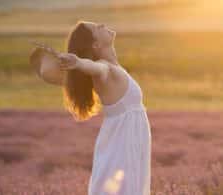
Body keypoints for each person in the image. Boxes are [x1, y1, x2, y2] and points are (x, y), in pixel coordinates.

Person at [34, 20, 151, 195]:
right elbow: (96, 68)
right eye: (97, 27)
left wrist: (77, 64)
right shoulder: (106, 69)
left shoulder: (115, 68)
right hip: (121, 142)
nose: (103, 25)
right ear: (95, 45)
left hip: (127, 139)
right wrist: (79, 63)